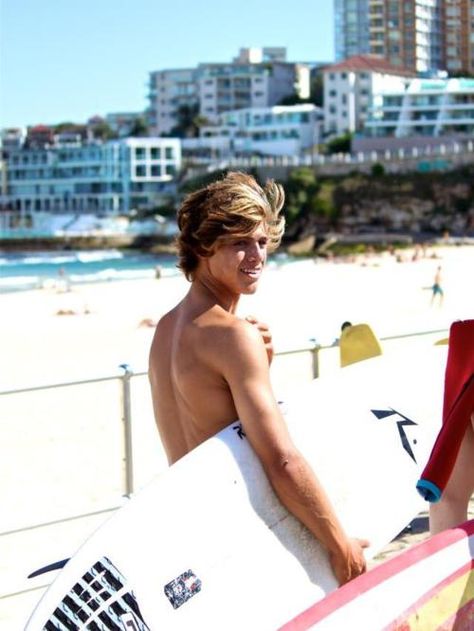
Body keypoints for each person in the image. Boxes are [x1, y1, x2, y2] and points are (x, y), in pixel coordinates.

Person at [148, 172, 368, 586]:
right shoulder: (232, 336)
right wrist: (341, 545)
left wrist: (257, 363)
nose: (256, 255)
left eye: (262, 242)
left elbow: (206, 425)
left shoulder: (165, 330)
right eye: (238, 243)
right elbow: (280, 460)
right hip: (243, 536)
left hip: (192, 531)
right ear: (201, 247)